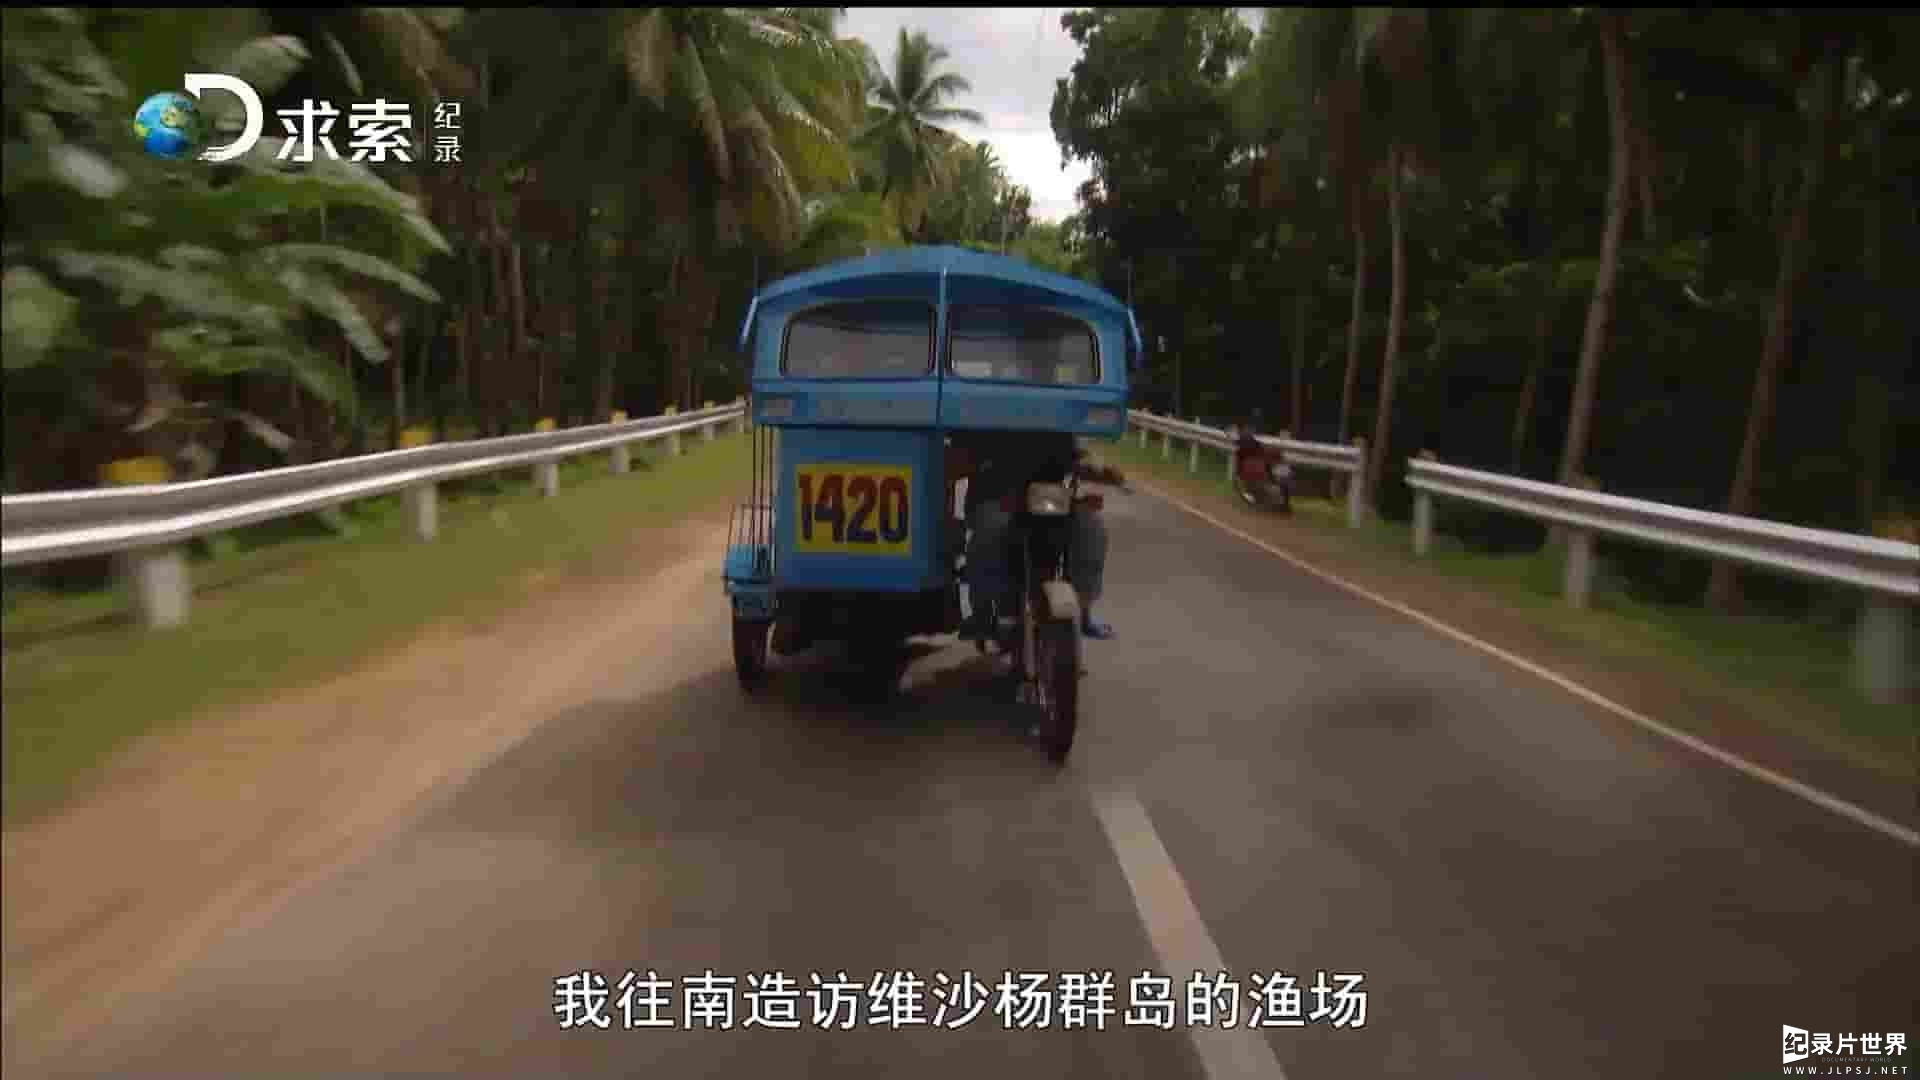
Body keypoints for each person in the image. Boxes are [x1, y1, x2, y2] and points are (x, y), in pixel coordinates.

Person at [948, 432, 1124, 641]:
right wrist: (973, 460)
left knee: (1091, 526)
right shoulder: (988, 413)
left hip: (1048, 499)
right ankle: (982, 614)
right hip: (999, 499)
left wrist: (1100, 470)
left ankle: (1083, 612)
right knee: (990, 528)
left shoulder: (1058, 416)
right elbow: (955, 459)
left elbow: (1079, 456)